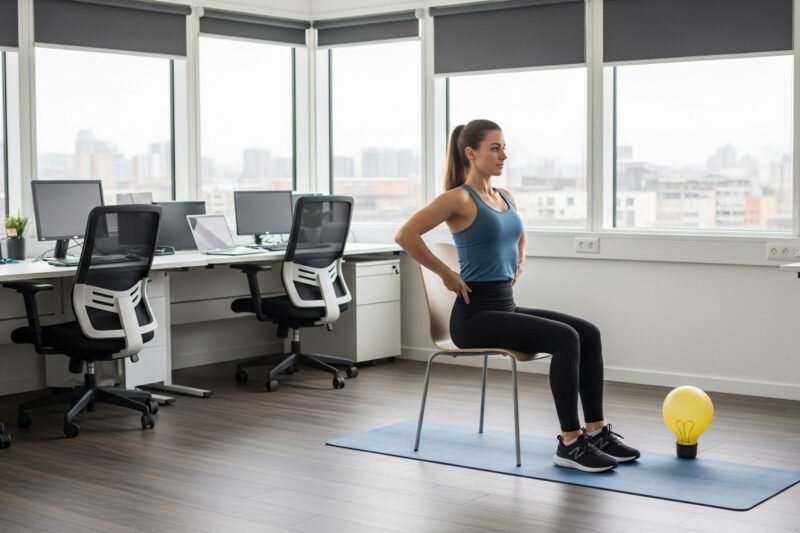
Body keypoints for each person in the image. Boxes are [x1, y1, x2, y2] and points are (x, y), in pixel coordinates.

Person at [395, 119, 640, 472]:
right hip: (473, 318)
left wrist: (520, 257)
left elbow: (518, 233)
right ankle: (570, 443)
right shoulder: (459, 198)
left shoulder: (504, 196)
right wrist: (446, 274)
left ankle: (596, 432)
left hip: (504, 306)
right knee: (565, 338)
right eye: (495, 148)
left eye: (504, 147)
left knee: (588, 332)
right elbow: (406, 235)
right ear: (471, 153)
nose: (503, 155)